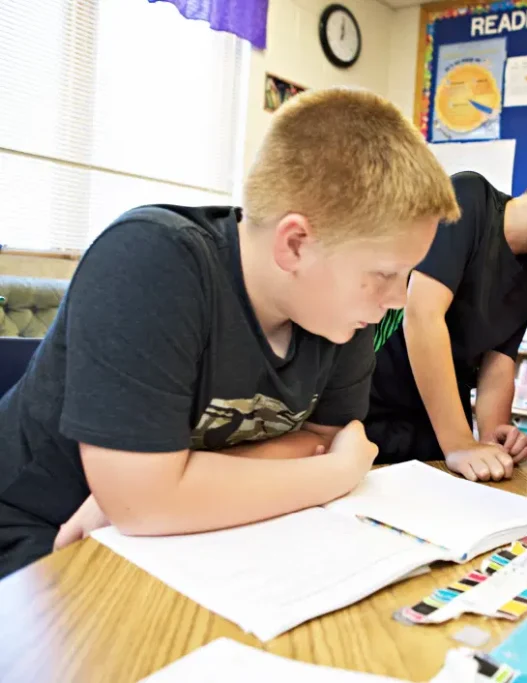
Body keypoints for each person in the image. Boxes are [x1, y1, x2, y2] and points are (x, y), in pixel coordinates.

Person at [0, 88, 461, 579]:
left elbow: (320, 440)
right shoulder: (151, 259)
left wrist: (168, 486)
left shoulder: (341, 318)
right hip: (39, 530)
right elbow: (145, 504)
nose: (397, 299)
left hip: (169, 538)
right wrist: (336, 474)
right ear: (296, 245)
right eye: (385, 273)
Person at [366, 166, 527, 482]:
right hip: (369, 403)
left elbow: (498, 366)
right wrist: (460, 442)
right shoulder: (471, 195)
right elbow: (422, 313)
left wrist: (495, 438)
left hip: (431, 429)